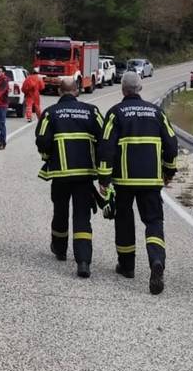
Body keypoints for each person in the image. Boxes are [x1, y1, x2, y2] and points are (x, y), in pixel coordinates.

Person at [100, 71, 178, 295]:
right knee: (153, 221)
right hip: (151, 180)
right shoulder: (157, 112)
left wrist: (104, 178)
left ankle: (127, 267)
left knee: (124, 221)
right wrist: (169, 171)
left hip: (124, 180)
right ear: (140, 89)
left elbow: (106, 147)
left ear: (123, 89)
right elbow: (172, 144)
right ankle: (156, 260)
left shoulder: (115, 113)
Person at [35, 76, 106, 278]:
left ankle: (59, 249)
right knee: (82, 216)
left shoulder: (50, 113)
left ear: (59, 92)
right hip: (84, 175)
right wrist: (102, 170)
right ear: (77, 91)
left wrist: (48, 157)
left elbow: (41, 140)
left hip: (60, 174)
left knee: (60, 210)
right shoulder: (91, 112)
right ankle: (83, 261)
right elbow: (104, 139)